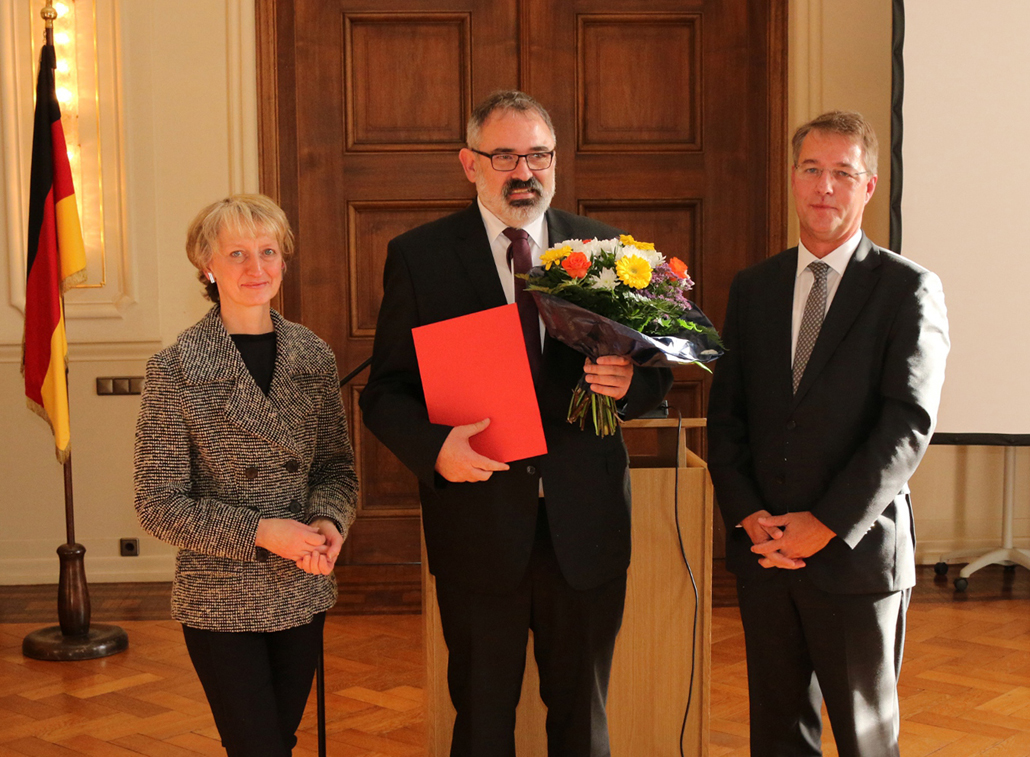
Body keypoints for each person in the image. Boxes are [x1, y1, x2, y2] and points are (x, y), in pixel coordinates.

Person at [360, 90, 672, 756]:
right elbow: (384, 391)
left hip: (584, 533)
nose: (523, 171)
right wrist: (436, 448)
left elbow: (657, 378)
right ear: (469, 163)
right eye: (505, 156)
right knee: (480, 721)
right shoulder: (421, 256)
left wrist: (628, 384)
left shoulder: (612, 252)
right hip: (478, 529)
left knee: (582, 725)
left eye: (538, 155)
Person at [706, 110, 950, 757]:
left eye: (842, 173)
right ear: (793, 178)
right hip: (766, 557)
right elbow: (725, 418)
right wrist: (749, 514)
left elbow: (906, 427)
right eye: (812, 170)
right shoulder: (755, 288)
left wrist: (826, 522)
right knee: (779, 739)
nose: (824, 187)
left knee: (866, 743)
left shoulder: (907, 289)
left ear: (867, 186)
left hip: (855, 557)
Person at [133, 194, 358, 757]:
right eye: (237, 254)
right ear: (206, 266)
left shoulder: (313, 356)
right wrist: (263, 531)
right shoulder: (176, 367)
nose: (256, 268)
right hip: (220, 595)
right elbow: (157, 503)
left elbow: (336, 470)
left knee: (278, 740)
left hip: (301, 587)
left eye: (267, 251)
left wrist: (330, 521)